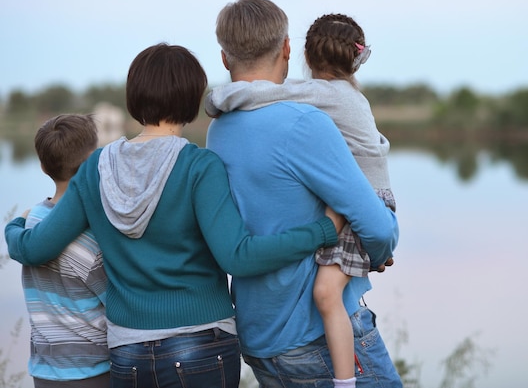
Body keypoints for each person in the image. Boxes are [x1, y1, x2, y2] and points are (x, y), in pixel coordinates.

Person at [5, 43, 344, 388]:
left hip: (128, 350)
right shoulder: (199, 166)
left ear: (133, 96)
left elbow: (34, 249)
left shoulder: (95, 168)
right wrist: (322, 230)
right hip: (201, 343)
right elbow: (238, 257)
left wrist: (15, 225)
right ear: (191, 100)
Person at [206, 0, 402, 387]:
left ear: (225, 58)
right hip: (314, 338)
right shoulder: (306, 124)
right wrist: (380, 252)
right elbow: (379, 228)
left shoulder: (218, 130)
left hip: (259, 335)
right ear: (286, 48)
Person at [20, 114, 109, 388]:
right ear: (92, 161)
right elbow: (115, 303)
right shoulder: (90, 236)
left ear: (43, 166)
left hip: (44, 371)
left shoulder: (31, 220)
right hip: (92, 370)